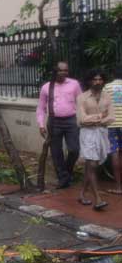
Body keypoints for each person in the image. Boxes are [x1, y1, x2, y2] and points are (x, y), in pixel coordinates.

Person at [37, 61, 83, 189]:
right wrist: (41, 124)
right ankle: (63, 178)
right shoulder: (47, 87)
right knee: (56, 152)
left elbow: (81, 103)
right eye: (61, 70)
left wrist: (81, 119)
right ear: (55, 71)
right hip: (53, 122)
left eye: (66, 70)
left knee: (74, 150)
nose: (64, 73)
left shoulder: (74, 84)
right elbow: (40, 108)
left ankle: (66, 173)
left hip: (71, 121)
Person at [76, 69, 114, 210]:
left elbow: (111, 117)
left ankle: (81, 194)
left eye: (100, 79)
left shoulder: (107, 97)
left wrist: (95, 119)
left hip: (102, 133)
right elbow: (81, 120)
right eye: (95, 79)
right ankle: (98, 199)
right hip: (87, 134)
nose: (98, 82)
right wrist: (100, 117)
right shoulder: (82, 97)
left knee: (91, 165)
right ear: (89, 81)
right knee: (92, 164)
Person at [107, 65, 122, 195]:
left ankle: (119, 187)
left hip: (112, 125)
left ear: (112, 74)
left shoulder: (107, 88)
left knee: (115, 153)